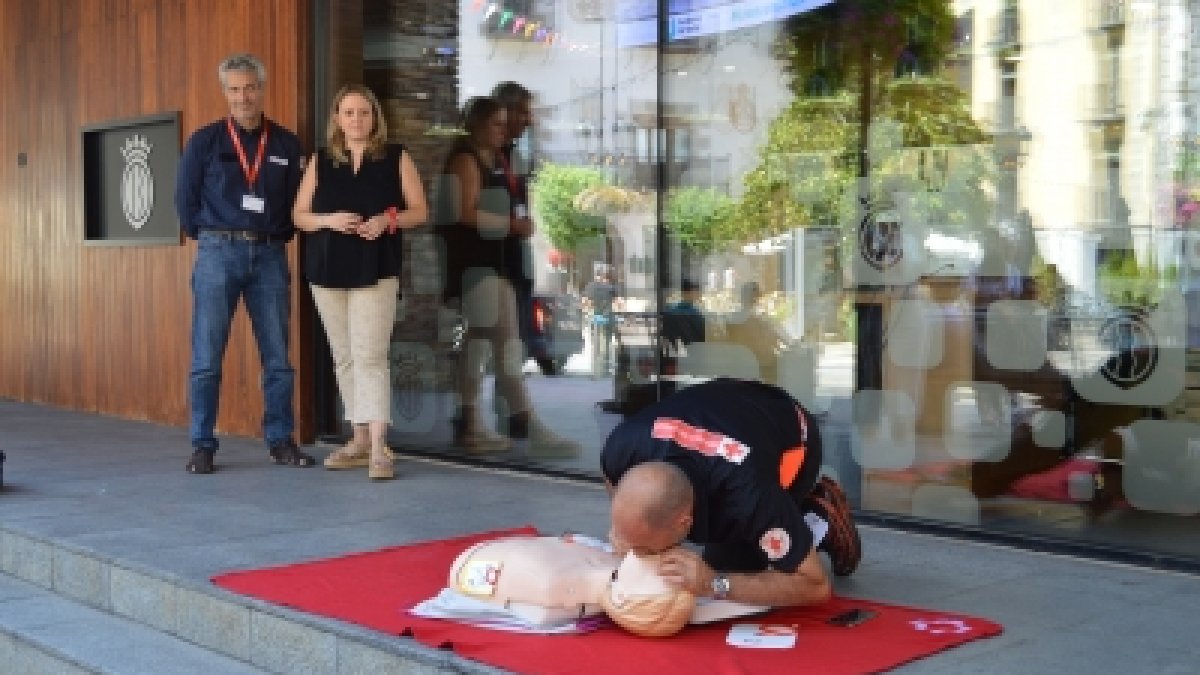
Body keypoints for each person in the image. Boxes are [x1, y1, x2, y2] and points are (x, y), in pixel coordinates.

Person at [600, 378, 861, 609]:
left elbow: (815, 587)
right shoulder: (620, 448)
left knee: (732, 576)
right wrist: (624, 531)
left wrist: (714, 583)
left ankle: (817, 516)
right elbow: (611, 479)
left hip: (791, 436)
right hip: (729, 404)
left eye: (642, 547)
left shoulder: (748, 496)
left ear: (684, 522)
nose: (634, 552)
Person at [175, 53, 312, 475]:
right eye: (234, 89)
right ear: (225, 93)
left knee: (277, 356)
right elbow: (185, 202)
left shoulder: (287, 145)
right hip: (217, 252)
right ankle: (202, 444)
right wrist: (215, 237)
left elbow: (295, 204)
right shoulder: (204, 142)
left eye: (249, 87)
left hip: (270, 254)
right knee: (206, 357)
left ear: (262, 89)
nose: (242, 96)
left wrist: (272, 239)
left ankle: (280, 440)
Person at [291, 84, 428, 481]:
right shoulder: (321, 160)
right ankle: (359, 439)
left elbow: (418, 210)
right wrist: (328, 220)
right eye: (348, 113)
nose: (356, 120)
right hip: (327, 268)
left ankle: (380, 445)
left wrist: (388, 221)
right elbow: (300, 215)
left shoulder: (396, 156)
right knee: (345, 356)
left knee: (371, 355)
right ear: (336, 118)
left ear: (375, 117)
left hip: (375, 267)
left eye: (363, 113)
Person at [440, 97, 580, 457]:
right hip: (477, 265)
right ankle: (528, 423)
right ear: (478, 124)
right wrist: (512, 225)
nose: (504, 131)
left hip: (495, 263)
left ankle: (470, 424)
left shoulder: (496, 159)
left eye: (506, 124)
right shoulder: (466, 159)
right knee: (505, 344)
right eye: (496, 125)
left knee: (478, 347)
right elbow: (464, 212)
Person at [490, 81, 538, 437]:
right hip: (492, 263)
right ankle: (515, 412)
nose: (529, 119)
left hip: (515, 260)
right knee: (503, 341)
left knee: (510, 340)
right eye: (523, 111)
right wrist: (512, 225)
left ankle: (509, 411)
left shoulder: (514, 155)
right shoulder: (483, 156)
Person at [582, 265, 618, 376]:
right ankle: (605, 363)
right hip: (607, 317)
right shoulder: (610, 287)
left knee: (595, 340)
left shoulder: (590, 286)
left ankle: (596, 362)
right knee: (606, 341)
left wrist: (587, 311)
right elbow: (617, 302)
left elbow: (585, 301)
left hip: (595, 317)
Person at [661, 278, 706, 354]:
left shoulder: (669, 312)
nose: (699, 295)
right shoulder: (695, 315)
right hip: (693, 354)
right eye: (697, 292)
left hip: (672, 353)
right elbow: (702, 338)